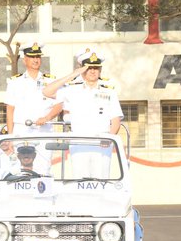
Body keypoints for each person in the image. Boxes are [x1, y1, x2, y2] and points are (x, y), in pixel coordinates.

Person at [41, 51, 124, 179]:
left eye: (96, 68)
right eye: (89, 68)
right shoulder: (72, 89)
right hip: (79, 142)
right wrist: (73, 74)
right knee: (80, 182)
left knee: (101, 181)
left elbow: (116, 120)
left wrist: (109, 138)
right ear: (82, 70)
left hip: (101, 143)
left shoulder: (109, 91)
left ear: (100, 70)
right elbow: (47, 91)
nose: (92, 71)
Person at [4, 42, 58, 134]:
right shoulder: (15, 82)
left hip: (44, 130)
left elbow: (59, 105)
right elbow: (10, 110)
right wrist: (10, 137)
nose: (35, 60)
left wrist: (46, 118)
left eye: (38, 57)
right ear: (24, 60)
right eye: (32, 57)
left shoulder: (51, 81)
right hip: (21, 130)